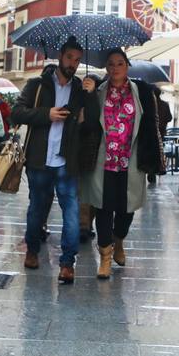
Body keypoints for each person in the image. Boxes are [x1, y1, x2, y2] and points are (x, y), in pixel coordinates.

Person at [80, 49, 163, 279]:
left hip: (131, 160)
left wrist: (152, 157)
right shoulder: (97, 91)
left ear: (127, 66)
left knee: (126, 210)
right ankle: (105, 257)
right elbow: (87, 123)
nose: (115, 68)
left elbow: (151, 125)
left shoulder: (142, 92)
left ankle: (119, 240)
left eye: (120, 63)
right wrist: (87, 95)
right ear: (106, 69)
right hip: (103, 161)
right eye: (111, 64)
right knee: (104, 208)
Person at [11, 38, 87, 284]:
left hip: (67, 161)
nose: (73, 64)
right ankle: (32, 249)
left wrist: (91, 97)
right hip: (39, 160)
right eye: (69, 58)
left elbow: (92, 121)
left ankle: (67, 263)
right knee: (37, 210)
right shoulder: (37, 85)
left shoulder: (80, 89)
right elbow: (17, 112)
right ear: (60, 56)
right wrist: (48, 114)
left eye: (77, 60)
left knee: (72, 213)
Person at [77, 73, 102, 243]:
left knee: (87, 191)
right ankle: (84, 225)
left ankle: (85, 225)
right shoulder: (81, 99)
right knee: (85, 191)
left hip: (91, 151)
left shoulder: (96, 100)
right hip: (86, 151)